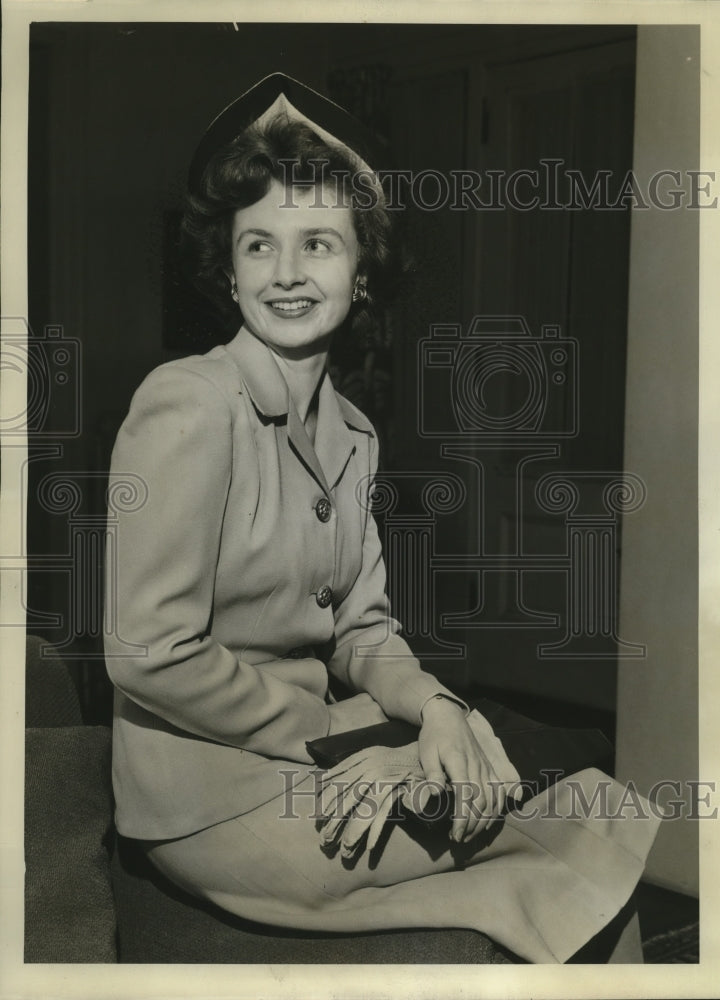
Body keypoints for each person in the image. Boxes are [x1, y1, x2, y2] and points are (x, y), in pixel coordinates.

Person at [104, 73, 659, 964]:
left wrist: (433, 714)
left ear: (362, 270)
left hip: (307, 758)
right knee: (577, 829)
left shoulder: (354, 432)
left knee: (552, 801)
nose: (287, 274)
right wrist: (342, 741)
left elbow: (363, 631)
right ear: (228, 268)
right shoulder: (187, 404)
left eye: (318, 243)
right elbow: (147, 653)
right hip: (209, 800)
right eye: (258, 246)